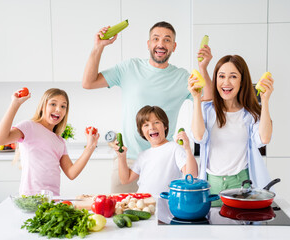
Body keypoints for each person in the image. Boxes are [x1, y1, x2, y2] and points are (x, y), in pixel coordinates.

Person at [82, 21, 212, 193]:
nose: (161, 44)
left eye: (167, 40)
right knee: (120, 215)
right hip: (127, 159)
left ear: (174, 46)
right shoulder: (129, 68)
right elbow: (88, 82)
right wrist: (98, 47)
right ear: (148, 44)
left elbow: (208, 99)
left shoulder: (182, 77)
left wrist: (203, 68)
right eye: (156, 38)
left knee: (159, 215)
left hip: (164, 162)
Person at [189, 55, 274, 206]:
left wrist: (265, 101)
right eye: (221, 76)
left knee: (241, 228)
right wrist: (196, 98)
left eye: (233, 76)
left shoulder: (250, 114)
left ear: (242, 81)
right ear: (215, 80)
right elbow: (198, 137)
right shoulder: (207, 109)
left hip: (241, 184)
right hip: (210, 184)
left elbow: (264, 139)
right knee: (210, 228)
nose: (226, 82)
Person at [0, 88, 100, 196]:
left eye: (63, 106)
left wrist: (90, 147)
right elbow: (0, 139)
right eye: (53, 104)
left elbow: (71, 173)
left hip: (52, 199)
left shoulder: (60, 142)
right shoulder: (29, 126)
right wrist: (15, 104)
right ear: (42, 106)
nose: (58, 109)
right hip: (30, 198)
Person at [114, 105, 198, 198]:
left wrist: (187, 149)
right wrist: (121, 157)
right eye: (146, 125)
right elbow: (125, 180)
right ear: (141, 131)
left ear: (165, 126)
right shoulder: (143, 155)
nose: (151, 127)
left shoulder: (174, 148)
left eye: (156, 122)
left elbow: (191, 176)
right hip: (144, 204)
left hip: (166, 205)